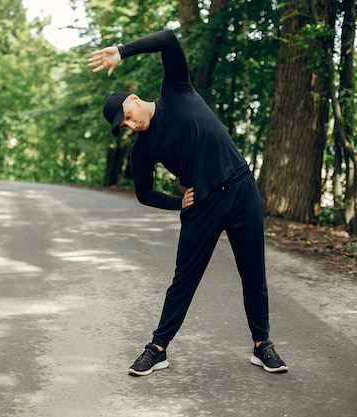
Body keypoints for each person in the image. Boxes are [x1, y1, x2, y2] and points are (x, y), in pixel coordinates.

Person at [87, 30, 287, 376]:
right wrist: (179, 203)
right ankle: (157, 349)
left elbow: (167, 39)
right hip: (202, 205)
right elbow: (143, 193)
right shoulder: (142, 150)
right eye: (124, 126)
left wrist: (122, 50)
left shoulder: (175, 90)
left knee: (254, 273)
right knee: (184, 280)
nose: (131, 125)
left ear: (134, 99)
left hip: (241, 189)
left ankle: (262, 345)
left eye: (128, 117)